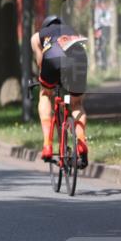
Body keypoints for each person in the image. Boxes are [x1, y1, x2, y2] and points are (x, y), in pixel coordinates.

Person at [31, 15, 89, 168]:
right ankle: (81, 141)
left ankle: (47, 145)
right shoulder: (72, 31)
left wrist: (47, 81)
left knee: (45, 94)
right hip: (78, 58)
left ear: (45, 27)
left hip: (52, 58)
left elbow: (40, 62)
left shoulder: (38, 36)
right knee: (76, 104)